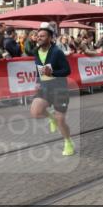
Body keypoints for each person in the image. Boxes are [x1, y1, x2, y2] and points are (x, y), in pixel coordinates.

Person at [29, 22, 75, 157]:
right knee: (35, 112)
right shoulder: (36, 51)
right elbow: (39, 69)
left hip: (59, 88)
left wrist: (53, 73)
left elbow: (67, 70)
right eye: (38, 36)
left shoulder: (57, 52)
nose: (39, 38)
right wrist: (37, 81)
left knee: (61, 119)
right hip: (44, 87)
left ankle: (68, 142)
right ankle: (51, 118)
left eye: (42, 36)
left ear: (50, 38)